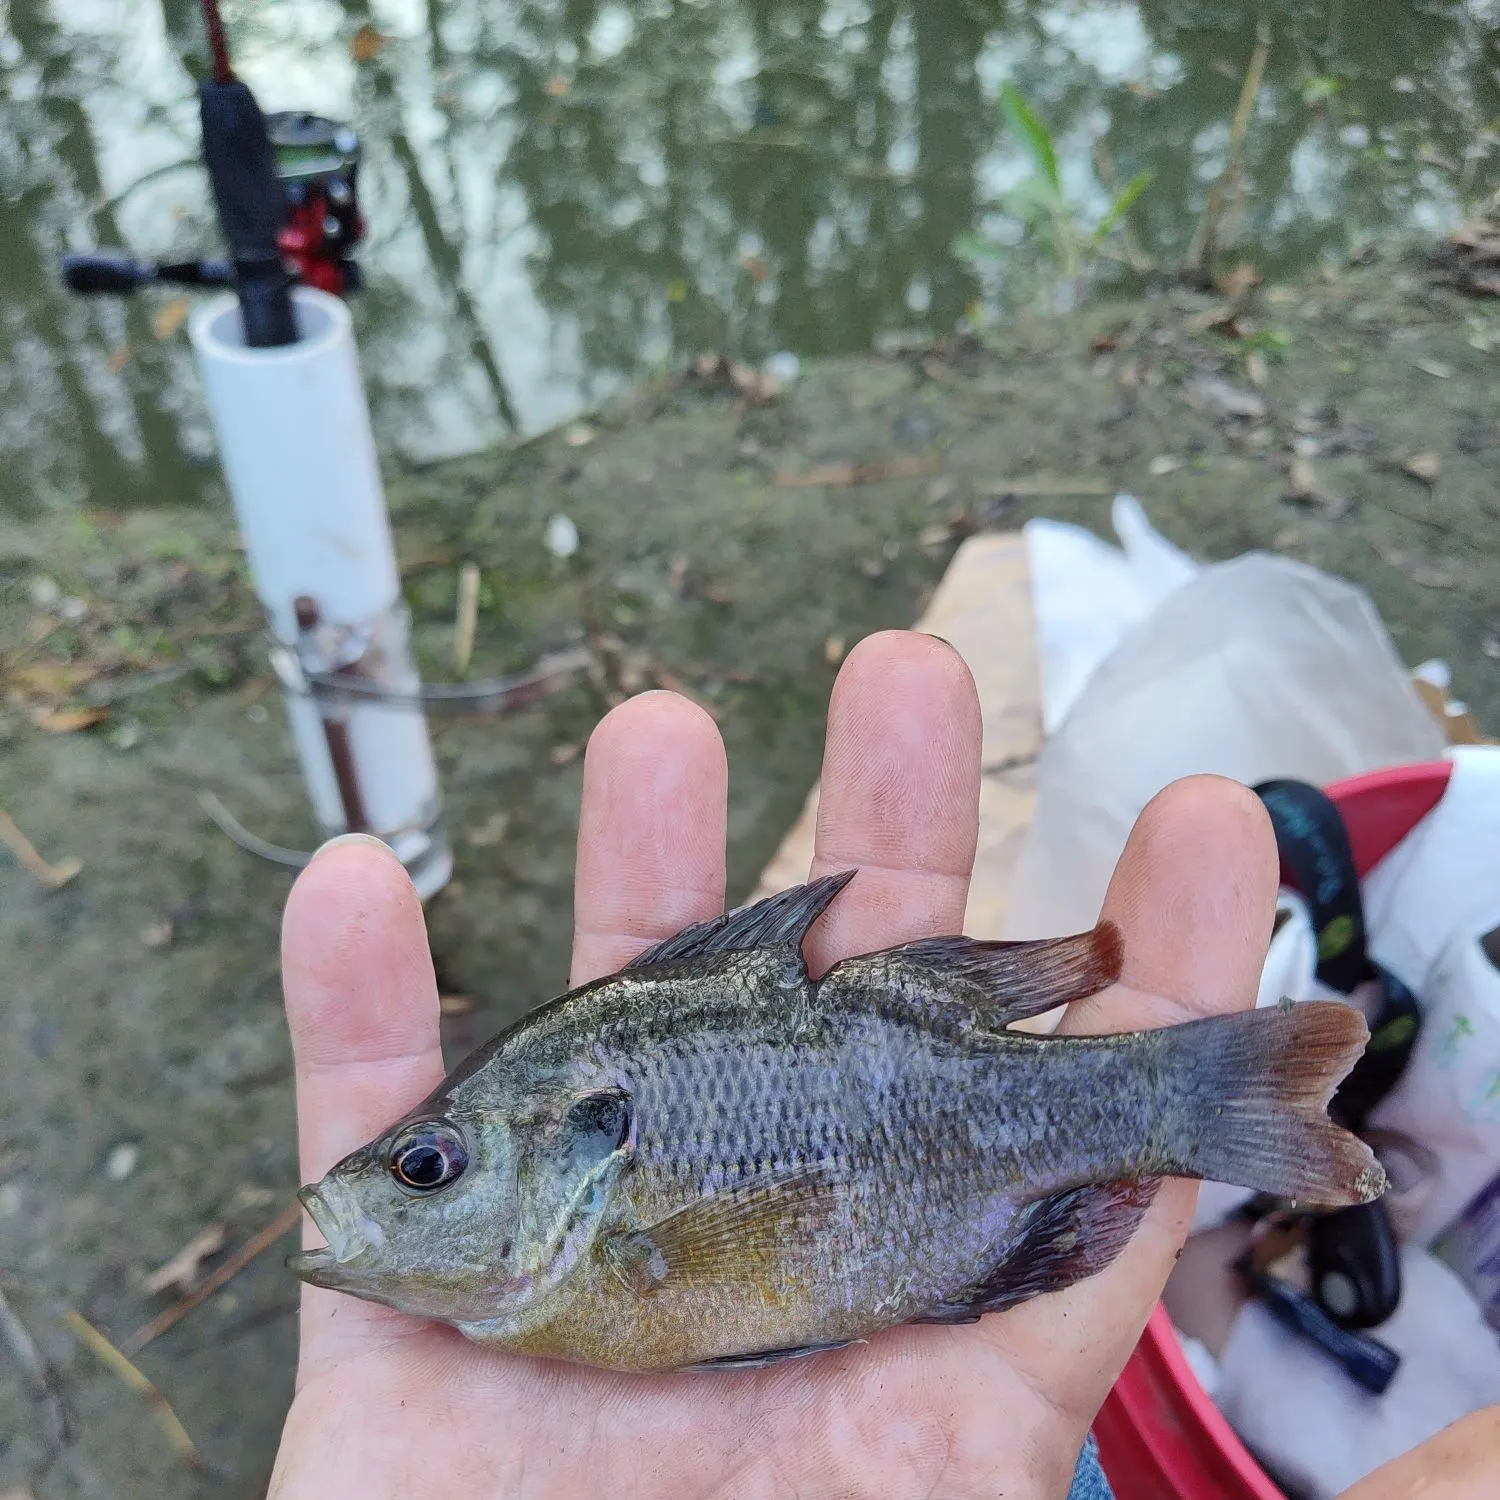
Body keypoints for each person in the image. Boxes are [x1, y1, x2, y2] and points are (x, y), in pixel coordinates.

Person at [266, 630, 1497, 1499]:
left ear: (580, 1147)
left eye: (430, 1166)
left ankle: (1192, 1093)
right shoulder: (560, 1283)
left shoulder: (589, 1262)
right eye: (422, 1166)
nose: (388, 1190)